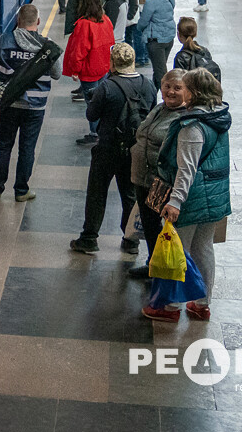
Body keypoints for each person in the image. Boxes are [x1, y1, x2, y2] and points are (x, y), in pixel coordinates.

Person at [145, 68, 231, 322]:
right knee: (203, 247)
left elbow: (186, 169)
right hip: (215, 193)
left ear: (194, 92)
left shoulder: (192, 126)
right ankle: (202, 303)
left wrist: (175, 201)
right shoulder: (219, 115)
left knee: (176, 250)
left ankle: (169, 306)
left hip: (192, 197)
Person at [72, 44, 157, 254]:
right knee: (129, 195)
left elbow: (92, 115)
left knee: (97, 192)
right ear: (133, 61)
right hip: (135, 150)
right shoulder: (148, 85)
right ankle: (131, 240)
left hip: (107, 148)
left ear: (112, 63)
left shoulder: (106, 87)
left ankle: (89, 238)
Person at [0, 5, 62, 202]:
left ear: (18, 21)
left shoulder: (4, 40)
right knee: (27, 148)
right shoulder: (47, 46)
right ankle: (21, 191)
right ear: (38, 22)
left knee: (4, 145)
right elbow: (56, 74)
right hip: (35, 107)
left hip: (9, 103)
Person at [128, 69, 188, 278]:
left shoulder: (184, 118)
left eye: (177, 88)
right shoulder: (160, 109)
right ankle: (153, 265)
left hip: (161, 182)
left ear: (187, 91)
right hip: (143, 180)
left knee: (163, 229)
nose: (170, 92)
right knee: (150, 226)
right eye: (167, 86)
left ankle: (164, 272)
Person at [64, 0, 116, 142]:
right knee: (102, 101)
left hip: (89, 71)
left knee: (92, 103)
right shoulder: (106, 20)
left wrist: (75, 70)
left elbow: (79, 50)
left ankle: (95, 133)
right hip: (103, 68)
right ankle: (104, 130)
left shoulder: (84, 25)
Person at [136, 0, 176, 87]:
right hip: (169, 38)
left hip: (156, 41)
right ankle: (153, 95)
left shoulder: (151, 2)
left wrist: (139, 28)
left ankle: (166, 98)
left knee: (160, 73)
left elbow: (143, 21)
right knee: (159, 69)